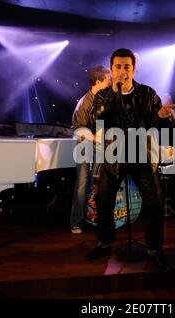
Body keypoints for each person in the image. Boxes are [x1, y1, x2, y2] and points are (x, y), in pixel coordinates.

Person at [86, 48, 175, 271]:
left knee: (154, 201)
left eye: (127, 66)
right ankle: (105, 242)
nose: (122, 70)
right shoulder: (104, 95)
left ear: (133, 69)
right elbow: (95, 119)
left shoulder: (146, 93)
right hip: (113, 155)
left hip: (140, 154)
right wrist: (114, 94)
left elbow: (159, 124)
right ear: (112, 69)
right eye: (118, 66)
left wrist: (161, 116)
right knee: (104, 200)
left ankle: (155, 249)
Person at [70, 65, 111, 234]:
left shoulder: (101, 99)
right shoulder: (85, 102)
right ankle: (76, 222)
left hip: (95, 146)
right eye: (107, 79)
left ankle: (95, 219)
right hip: (83, 146)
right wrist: (97, 138)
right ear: (99, 81)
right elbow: (79, 130)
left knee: (98, 184)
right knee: (82, 183)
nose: (110, 82)